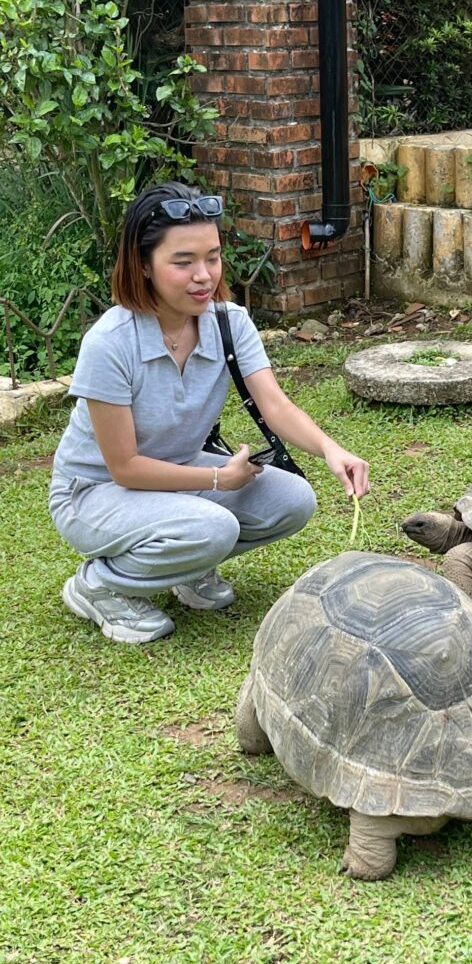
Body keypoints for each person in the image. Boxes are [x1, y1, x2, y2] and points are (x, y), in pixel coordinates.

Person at [49, 182, 370, 644]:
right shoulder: (110, 343)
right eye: (183, 262)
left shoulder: (227, 321)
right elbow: (124, 468)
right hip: (95, 493)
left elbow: (273, 404)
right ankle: (99, 586)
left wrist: (331, 450)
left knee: (293, 500)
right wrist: (217, 479)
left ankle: (186, 566)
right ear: (143, 264)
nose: (204, 275)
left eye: (212, 257)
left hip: (177, 468)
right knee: (213, 526)